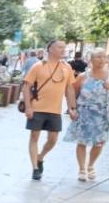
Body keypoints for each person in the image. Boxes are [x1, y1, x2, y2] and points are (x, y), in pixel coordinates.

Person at [64, 49, 109, 181]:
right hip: (84, 115)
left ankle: (91, 165)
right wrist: (72, 109)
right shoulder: (83, 76)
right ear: (91, 59)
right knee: (81, 142)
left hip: (102, 116)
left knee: (99, 143)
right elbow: (72, 92)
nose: (101, 60)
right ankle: (82, 169)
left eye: (103, 57)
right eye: (98, 57)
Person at [22, 40, 78, 180]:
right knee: (34, 137)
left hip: (55, 110)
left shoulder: (67, 67)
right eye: (59, 47)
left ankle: (40, 157)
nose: (63, 50)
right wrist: (28, 107)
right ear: (50, 49)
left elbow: (69, 89)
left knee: (53, 139)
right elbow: (26, 86)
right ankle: (35, 168)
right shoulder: (38, 66)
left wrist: (72, 108)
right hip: (37, 108)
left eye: (64, 47)